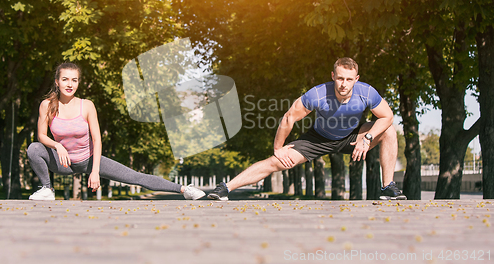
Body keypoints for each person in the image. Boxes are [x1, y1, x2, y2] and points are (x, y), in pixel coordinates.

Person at [208, 57, 406, 201]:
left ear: (356, 78)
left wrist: (368, 137)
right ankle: (226, 188)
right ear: (333, 76)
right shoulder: (318, 94)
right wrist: (278, 148)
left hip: (352, 136)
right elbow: (289, 117)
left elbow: (387, 116)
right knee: (277, 162)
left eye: (348, 79)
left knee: (388, 131)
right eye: (339, 78)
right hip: (318, 138)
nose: (343, 84)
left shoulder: (367, 92)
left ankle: (387, 187)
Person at [27, 62, 205, 201]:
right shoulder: (47, 105)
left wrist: (95, 171)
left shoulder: (87, 106)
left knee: (135, 176)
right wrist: (57, 145)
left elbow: (97, 140)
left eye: (74, 80)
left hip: (88, 160)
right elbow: (41, 136)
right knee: (34, 149)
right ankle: (47, 189)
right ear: (57, 82)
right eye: (65, 79)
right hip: (63, 162)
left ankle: (184, 190)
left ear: (79, 82)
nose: (70, 84)